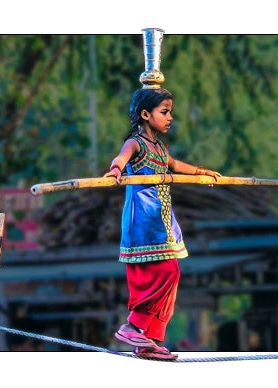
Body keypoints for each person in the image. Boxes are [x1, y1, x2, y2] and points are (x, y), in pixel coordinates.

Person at [103, 86, 221, 360]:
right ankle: (133, 324)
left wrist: (202, 173)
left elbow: (176, 165)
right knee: (162, 272)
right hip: (143, 220)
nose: (170, 118)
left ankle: (150, 339)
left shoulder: (159, 148)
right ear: (146, 114)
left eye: (170, 112)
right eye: (164, 112)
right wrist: (116, 169)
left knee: (173, 272)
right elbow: (120, 158)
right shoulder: (135, 144)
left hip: (163, 220)